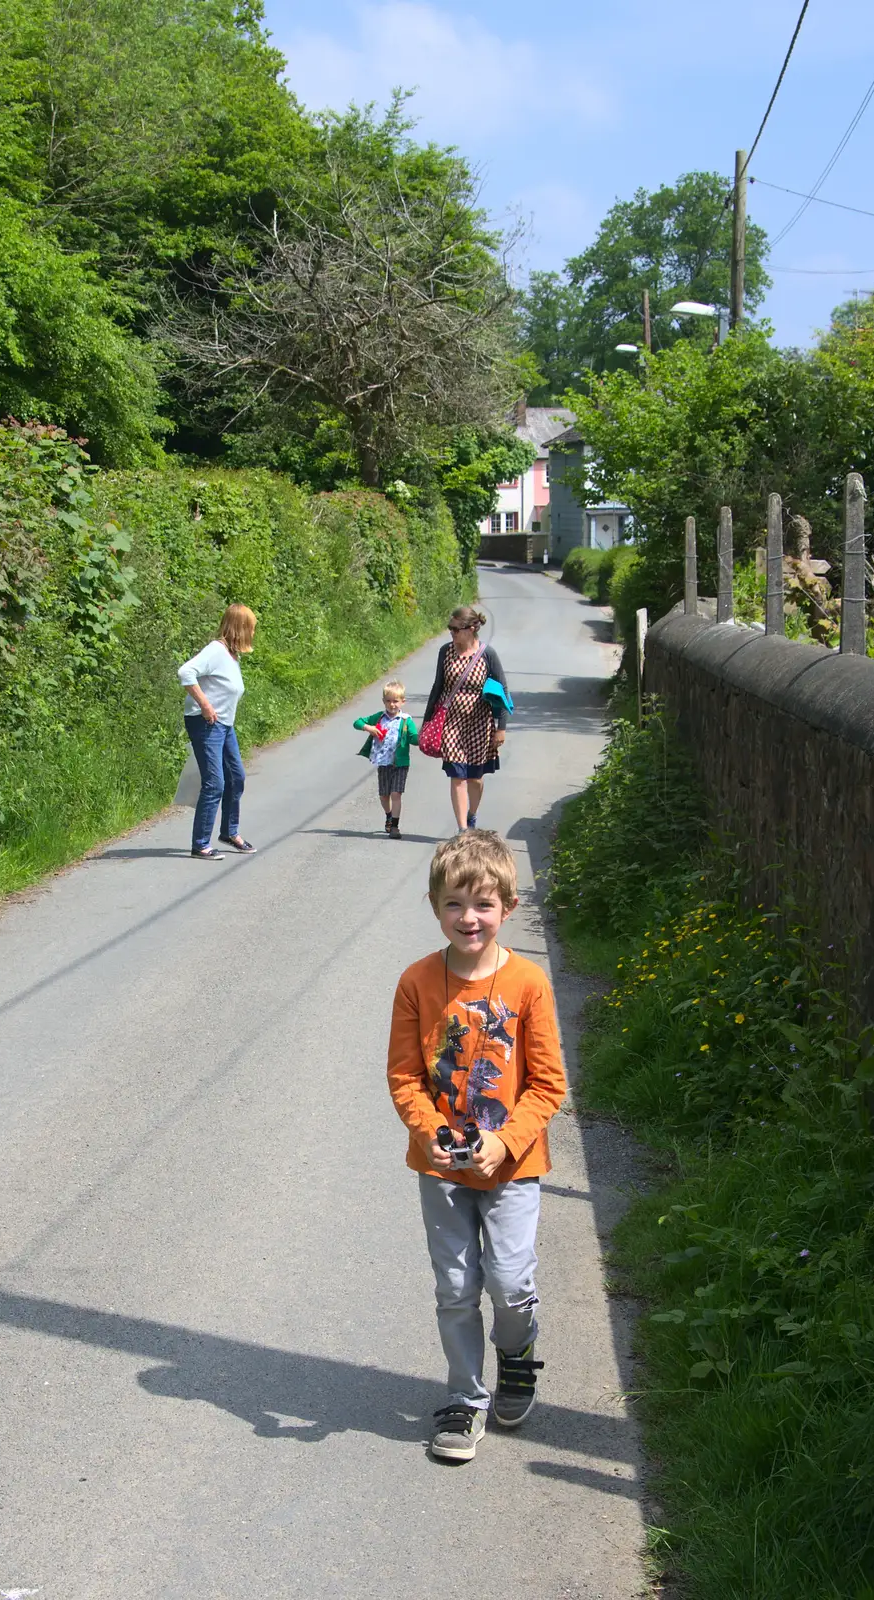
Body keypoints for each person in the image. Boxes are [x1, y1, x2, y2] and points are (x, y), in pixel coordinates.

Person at [387, 831, 566, 1462]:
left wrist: (505, 1141)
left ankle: (516, 1354)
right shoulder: (416, 982)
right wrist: (429, 1130)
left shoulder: (528, 984)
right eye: (456, 904)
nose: (470, 918)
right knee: (456, 1287)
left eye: (484, 904)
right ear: (435, 906)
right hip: (440, 1166)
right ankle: (465, 1399)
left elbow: (548, 1083)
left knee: (509, 1281)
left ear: (508, 907)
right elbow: (405, 1075)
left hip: (512, 1165)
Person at [177, 604, 257, 860]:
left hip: (224, 725)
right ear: (240, 628)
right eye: (251, 628)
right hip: (206, 724)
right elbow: (185, 672)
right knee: (215, 783)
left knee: (237, 777)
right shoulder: (216, 651)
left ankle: (229, 832)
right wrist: (205, 704)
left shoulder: (233, 656)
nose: (253, 633)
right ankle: (200, 844)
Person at [422, 606, 510, 833]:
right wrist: (427, 721)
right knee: (457, 776)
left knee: (475, 778)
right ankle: (462, 830)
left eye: (455, 629)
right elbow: (437, 687)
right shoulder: (446, 651)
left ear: (471, 629)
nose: (451, 633)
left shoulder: (487, 654)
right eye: (450, 628)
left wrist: (501, 728)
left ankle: (472, 815)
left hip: (480, 725)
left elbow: (502, 690)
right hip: (451, 723)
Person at [353, 680, 419, 839]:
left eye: (395, 701)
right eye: (388, 701)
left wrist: (424, 739)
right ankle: (388, 815)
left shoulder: (405, 720)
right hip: (383, 762)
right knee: (384, 795)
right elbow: (357, 722)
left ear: (403, 701)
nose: (392, 705)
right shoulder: (378, 717)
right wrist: (369, 728)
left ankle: (395, 826)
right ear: (384, 701)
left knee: (396, 794)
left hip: (400, 763)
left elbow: (413, 738)